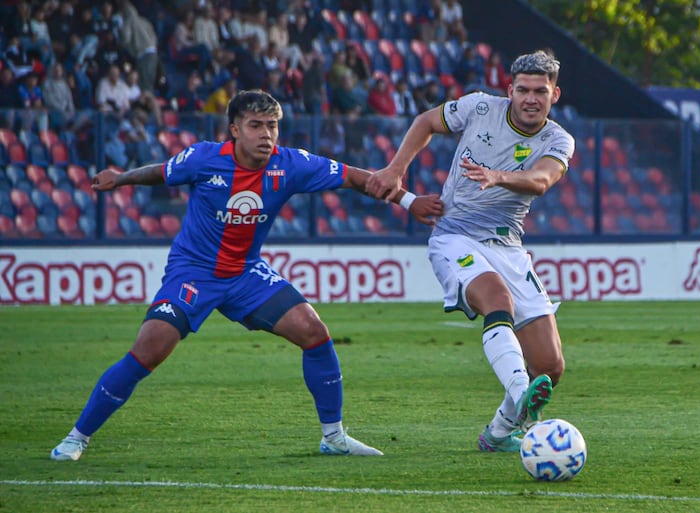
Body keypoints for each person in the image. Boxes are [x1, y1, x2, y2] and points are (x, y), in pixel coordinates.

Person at [50, 89, 443, 462]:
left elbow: (359, 178)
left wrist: (408, 201)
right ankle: (76, 437)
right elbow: (162, 171)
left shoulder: (291, 164)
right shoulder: (204, 159)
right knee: (150, 348)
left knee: (314, 331)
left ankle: (334, 438)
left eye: (272, 125)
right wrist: (121, 178)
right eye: (256, 125)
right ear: (235, 129)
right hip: (195, 272)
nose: (267, 134)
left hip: (246, 274)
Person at [366, 49, 574, 452]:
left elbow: (541, 180)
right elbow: (426, 121)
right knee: (496, 298)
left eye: (541, 92)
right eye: (524, 90)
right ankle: (518, 388)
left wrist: (498, 176)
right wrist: (395, 169)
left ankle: (497, 434)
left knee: (550, 366)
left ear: (555, 95)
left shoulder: (558, 139)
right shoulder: (479, 107)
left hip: (508, 246)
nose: (532, 99)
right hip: (454, 236)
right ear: (509, 90)